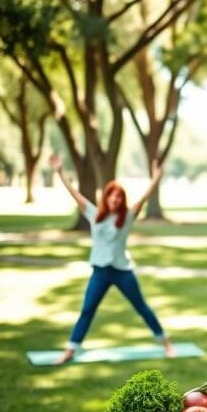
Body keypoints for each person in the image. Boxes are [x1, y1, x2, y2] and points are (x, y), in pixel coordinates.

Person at [49, 154, 174, 364]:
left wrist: (156, 177)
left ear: (122, 200)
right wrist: (60, 172)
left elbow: (144, 197)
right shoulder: (93, 213)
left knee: (141, 307)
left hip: (122, 271)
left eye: (119, 197)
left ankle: (166, 343)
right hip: (100, 272)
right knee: (87, 310)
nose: (115, 200)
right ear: (106, 197)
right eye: (112, 196)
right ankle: (71, 350)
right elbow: (74, 193)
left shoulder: (127, 217)